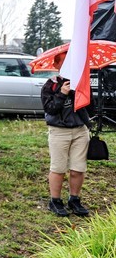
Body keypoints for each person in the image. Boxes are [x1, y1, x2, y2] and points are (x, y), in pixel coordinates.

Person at [41, 51, 91, 217]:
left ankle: (74, 199)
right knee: (58, 168)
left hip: (79, 130)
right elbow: (50, 109)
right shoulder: (50, 86)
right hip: (59, 131)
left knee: (78, 168)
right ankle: (55, 201)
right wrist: (62, 94)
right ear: (56, 66)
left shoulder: (80, 83)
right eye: (64, 62)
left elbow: (89, 106)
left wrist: (80, 91)